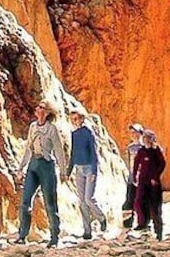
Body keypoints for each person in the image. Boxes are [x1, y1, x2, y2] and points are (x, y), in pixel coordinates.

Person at [16, 99, 67, 247]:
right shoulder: (33, 126)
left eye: (41, 107)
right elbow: (28, 148)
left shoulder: (52, 129)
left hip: (46, 166)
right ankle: (22, 235)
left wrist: (63, 171)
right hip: (33, 165)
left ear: (47, 112)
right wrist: (21, 168)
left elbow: (58, 150)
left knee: (50, 203)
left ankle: (54, 237)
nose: (37, 108)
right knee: (25, 202)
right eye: (38, 106)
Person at [66, 109, 108, 239]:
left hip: (89, 168)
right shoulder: (74, 134)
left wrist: (94, 171)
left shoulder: (88, 132)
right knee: (82, 202)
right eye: (72, 119)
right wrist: (68, 171)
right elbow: (73, 153)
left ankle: (101, 218)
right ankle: (87, 231)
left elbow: (94, 152)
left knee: (88, 199)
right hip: (78, 168)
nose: (75, 122)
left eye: (77, 119)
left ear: (82, 119)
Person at [133, 129, 166, 239]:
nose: (146, 140)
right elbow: (136, 164)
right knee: (139, 202)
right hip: (143, 181)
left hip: (153, 183)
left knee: (154, 207)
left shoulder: (156, 151)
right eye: (145, 138)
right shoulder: (141, 151)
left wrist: (155, 177)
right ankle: (143, 223)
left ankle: (158, 231)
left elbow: (162, 164)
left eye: (148, 138)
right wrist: (134, 176)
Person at [122, 122, 146, 228]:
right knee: (129, 201)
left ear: (141, 133)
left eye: (136, 132)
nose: (134, 135)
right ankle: (127, 224)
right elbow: (128, 162)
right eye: (132, 133)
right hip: (132, 178)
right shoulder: (130, 147)